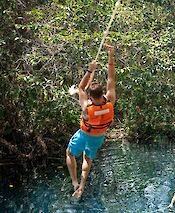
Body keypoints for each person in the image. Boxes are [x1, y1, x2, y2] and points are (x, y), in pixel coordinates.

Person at [65, 44, 116, 199]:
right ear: (103, 93)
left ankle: (74, 182)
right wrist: (110, 55)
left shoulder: (87, 107)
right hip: (99, 137)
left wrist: (90, 70)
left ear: (91, 97)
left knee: (69, 153)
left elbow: (80, 88)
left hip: (84, 134)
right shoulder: (110, 101)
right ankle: (82, 185)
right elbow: (111, 78)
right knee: (88, 158)